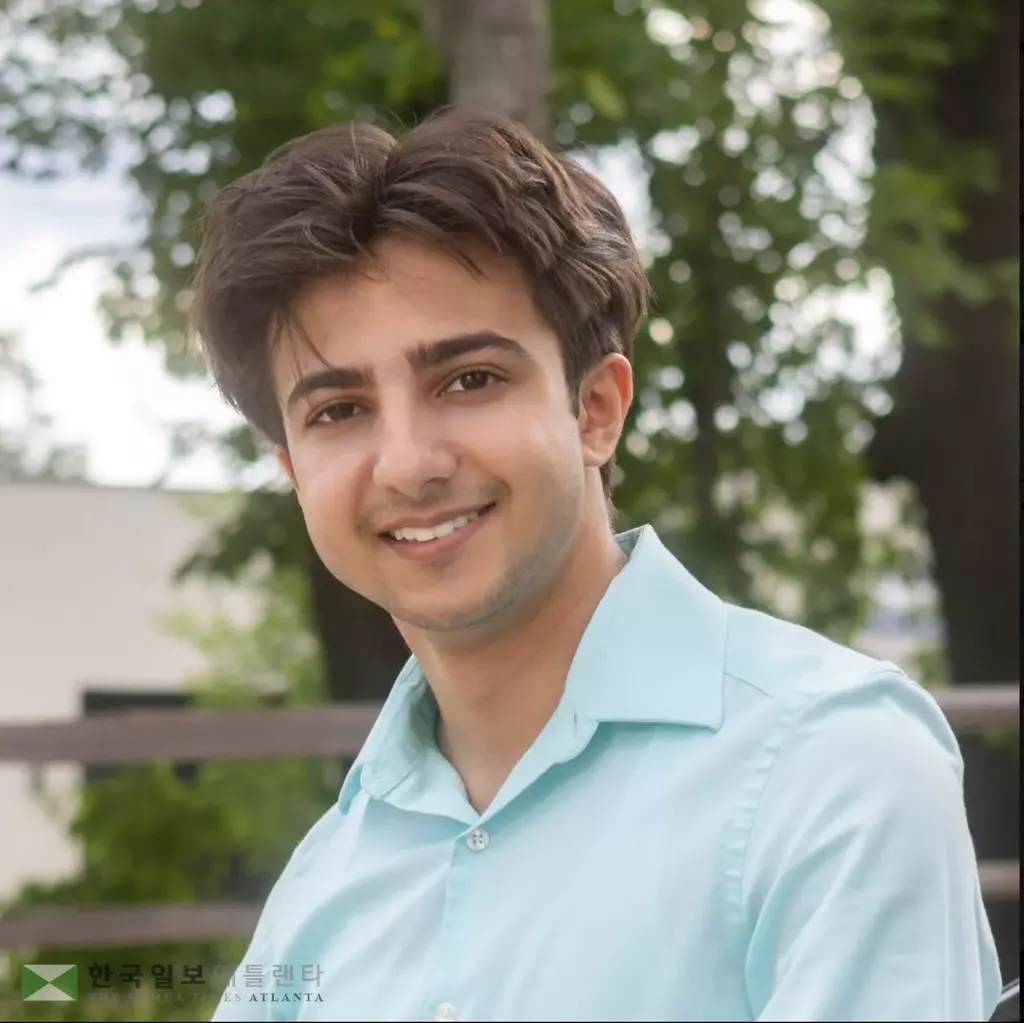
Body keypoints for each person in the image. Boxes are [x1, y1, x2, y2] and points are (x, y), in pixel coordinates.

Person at [197, 109, 1001, 1022]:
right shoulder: (321, 886)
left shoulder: (833, 768)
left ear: (596, 409)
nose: (408, 463)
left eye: (469, 379)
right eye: (338, 410)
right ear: (293, 468)